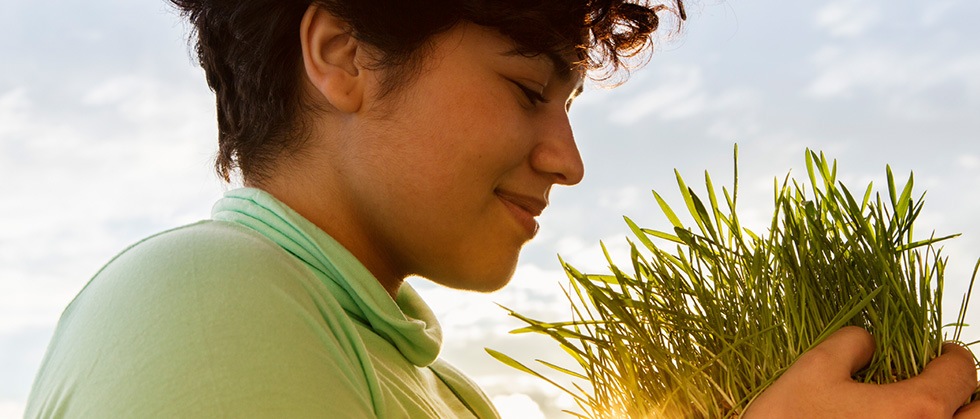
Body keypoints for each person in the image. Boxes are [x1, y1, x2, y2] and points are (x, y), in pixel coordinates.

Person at [25, 0, 979, 417]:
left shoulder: (450, 396)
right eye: (529, 90)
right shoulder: (204, 297)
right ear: (342, 55)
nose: (567, 160)